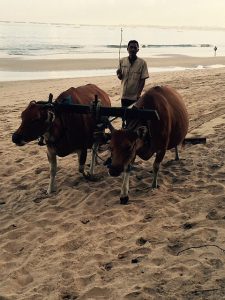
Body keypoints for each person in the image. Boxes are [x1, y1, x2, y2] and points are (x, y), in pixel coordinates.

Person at [116, 40, 149, 108]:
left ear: (138, 50)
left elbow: (143, 80)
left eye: (135, 48)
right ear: (127, 49)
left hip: (134, 96)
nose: (133, 49)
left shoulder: (142, 63)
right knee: (125, 115)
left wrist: (138, 94)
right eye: (131, 47)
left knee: (134, 116)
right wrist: (119, 74)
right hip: (124, 95)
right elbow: (120, 78)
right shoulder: (122, 61)